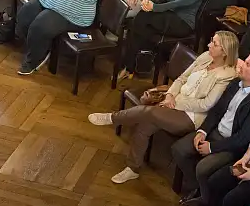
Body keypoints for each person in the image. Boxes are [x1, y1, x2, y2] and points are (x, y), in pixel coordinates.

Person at [88, 32, 239, 184]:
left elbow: (206, 104)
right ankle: (132, 169)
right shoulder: (205, 57)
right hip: (173, 101)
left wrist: (175, 102)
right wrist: (170, 96)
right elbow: (182, 78)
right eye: (211, 40)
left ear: (225, 51)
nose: (209, 45)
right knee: (145, 124)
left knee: (149, 112)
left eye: (214, 43)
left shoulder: (227, 75)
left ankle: (113, 118)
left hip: (191, 116)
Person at [171, 53, 250, 203]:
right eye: (244, 62)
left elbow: (244, 138)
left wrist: (212, 147)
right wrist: (202, 131)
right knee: (179, 149)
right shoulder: (235, 83)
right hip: (214, 132)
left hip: (231, 145)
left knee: (203, 168)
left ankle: (205, 202)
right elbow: (217, 110)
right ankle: (199, 189)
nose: (241, 65)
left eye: (247, 65)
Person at [118, 0, 207, 79]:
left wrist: (154, 7)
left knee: (141, 20)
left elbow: (177, 3)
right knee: (139, 23)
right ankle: (136, 64)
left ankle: (130, 66)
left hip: (182, 22)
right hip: (168, 13)